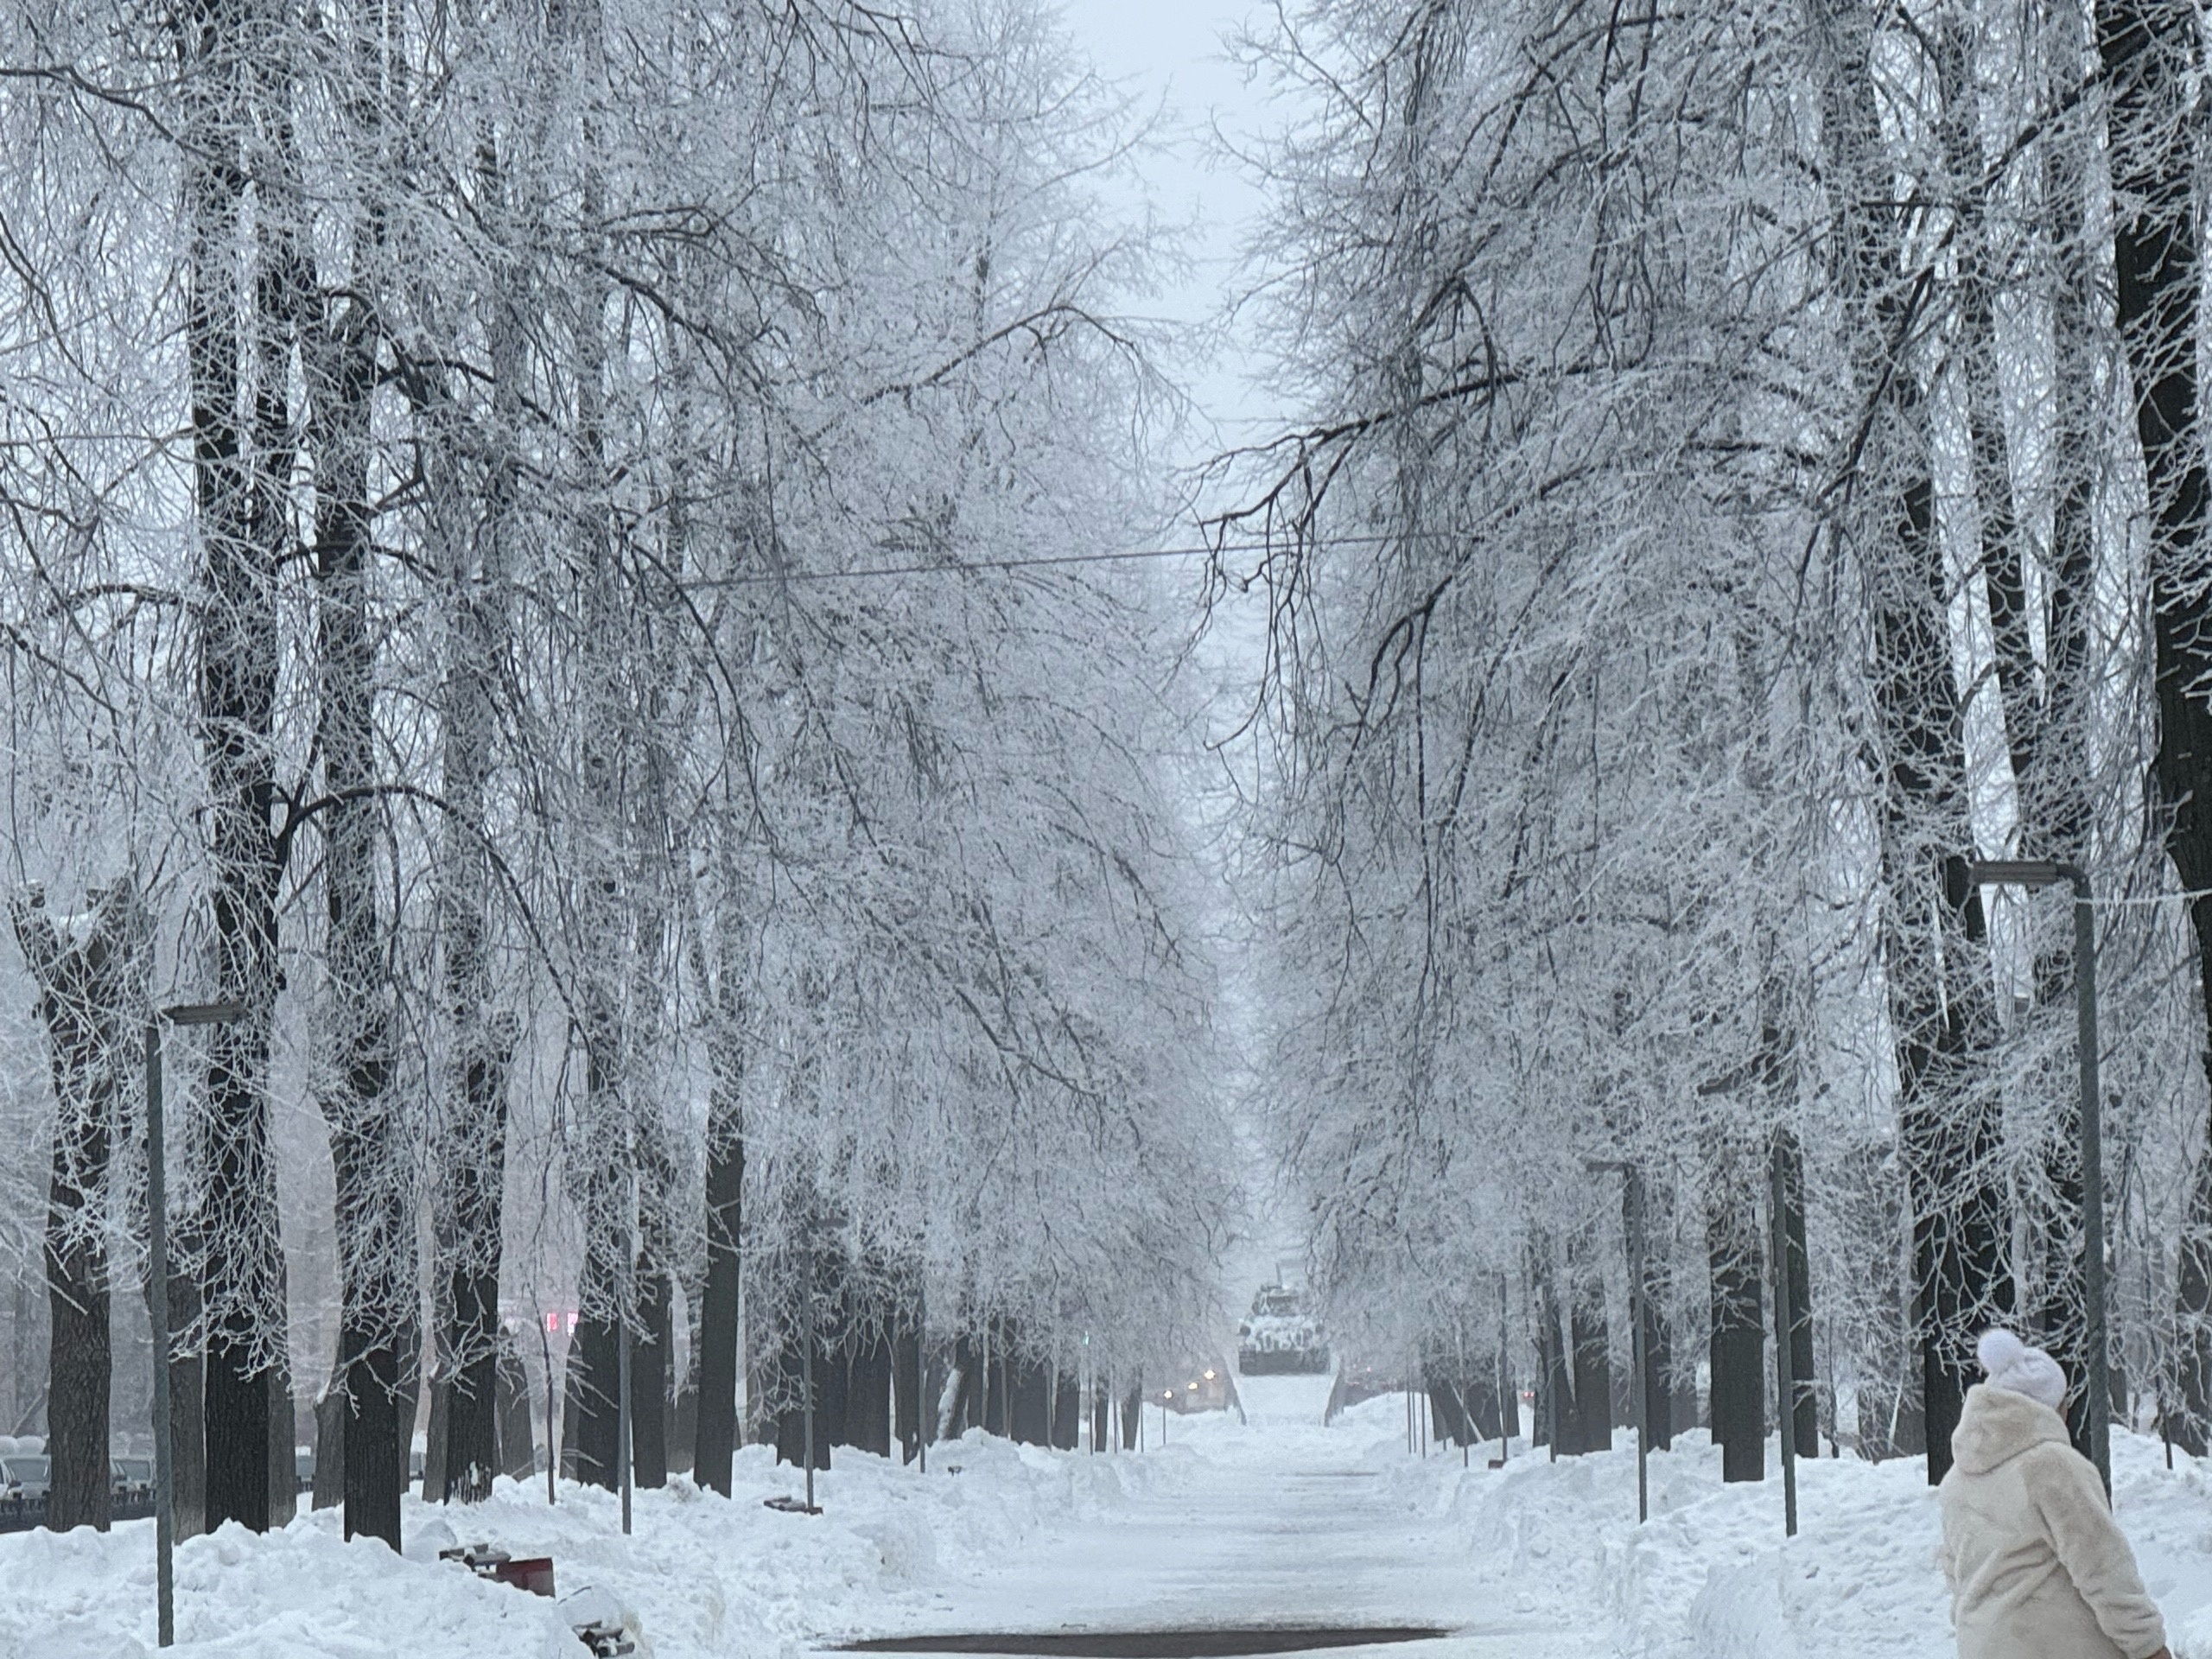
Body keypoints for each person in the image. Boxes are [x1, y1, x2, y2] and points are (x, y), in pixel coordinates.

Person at [1938, 1328, 2170, 1659]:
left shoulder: (1956, 1481)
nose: (2066, 1412)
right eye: (2063, 1402)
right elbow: (2102, 1567)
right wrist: (2148, 1646)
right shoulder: (2054, 1467)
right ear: (2045, 1406)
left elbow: (1956, 1574)